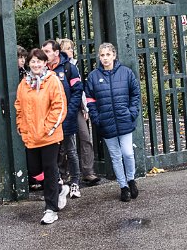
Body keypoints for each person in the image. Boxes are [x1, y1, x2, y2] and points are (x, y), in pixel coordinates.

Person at [15, 47, 69, 225]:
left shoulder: (52, 81)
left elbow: (59, 106)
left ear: (45, 63)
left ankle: (51, 209)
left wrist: (48, 127)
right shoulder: (24, 84)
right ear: (28, 64)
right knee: (35, 171)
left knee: (50, 169)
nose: (36, 64)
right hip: (31, 136)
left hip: (49, 136)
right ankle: (59, 189)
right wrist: (21, 126)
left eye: (39, 61)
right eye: (33, 61)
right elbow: (19, 107)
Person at [85, 42, 141, 202]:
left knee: (128, 153)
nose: (105, 58)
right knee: (116, 156)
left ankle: (131, 180)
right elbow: (90, 99)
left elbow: (135, 93)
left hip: (124, 120)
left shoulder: (126, 72)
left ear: (114, 55)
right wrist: (97, 118)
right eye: (102, 55)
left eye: (108, 54)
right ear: (99, 57)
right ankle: (123, 187)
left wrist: (132, 112)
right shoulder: (93, 76)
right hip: (106, 122)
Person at [42, 39, 83, 199]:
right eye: (43, 51)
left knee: (71, 151)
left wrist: (69, 112)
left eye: (47, 51)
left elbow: (77, 91)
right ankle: (57, 183)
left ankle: (75, 183)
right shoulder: (42, 69)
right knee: (53, 154)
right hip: (49, 121)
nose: (44, 54)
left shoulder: (69, 68)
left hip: (66, 118)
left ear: (56, 52)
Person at [59, 38, 99, 185]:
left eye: (71, 48)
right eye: (67, 48)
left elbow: (79, 90)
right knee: (63, 143)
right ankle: (62, 174)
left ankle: (88, 172)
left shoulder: (74, 66)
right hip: (62, 110)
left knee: (85, 137)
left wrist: (84, 107)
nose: (71, 51)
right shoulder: (59, 68)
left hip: (76, 108)